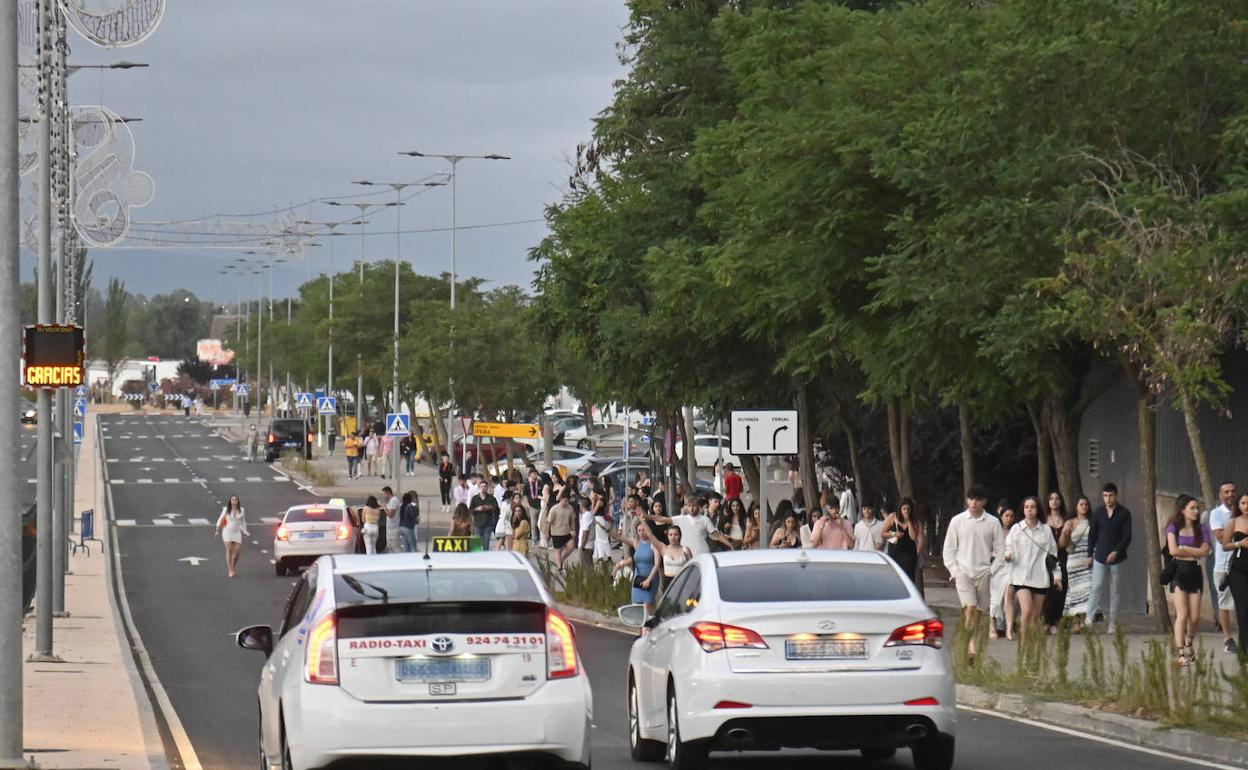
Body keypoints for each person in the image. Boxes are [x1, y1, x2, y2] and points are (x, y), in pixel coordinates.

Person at [942, 486, 1004, 656]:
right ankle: (971, 646)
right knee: (970, 607)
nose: (974, 502)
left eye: (977, 499)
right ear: (967, 500)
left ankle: (972, 640)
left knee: (979, 611)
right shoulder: (957, 521)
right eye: (971, 499)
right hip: (963, 571)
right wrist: (955, 570)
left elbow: (1000, 548)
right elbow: (949, 549)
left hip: (984, 571)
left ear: (983, 501)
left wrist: (993, 569)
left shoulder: (993, 522)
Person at [1005, 496, 1061, 647]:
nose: (1029, 510)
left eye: (1033, 507)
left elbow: (1053, 554)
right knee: (1027, 610)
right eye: (1026, 507)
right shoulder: (1017, 529)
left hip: (1040, 577)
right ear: (1023, 510)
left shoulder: (1046, 530)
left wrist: (1057, 576)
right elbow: (1008, 546)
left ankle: (1030, 646)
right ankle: (1023, 645)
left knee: (1036, 615)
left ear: (1038, 510)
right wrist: (1008, 556)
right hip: (1020, 577)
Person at [1166, 494, 1212, 666]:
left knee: (1194, 617)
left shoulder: (1203, 529)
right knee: (1182, 614)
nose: (1196, 511)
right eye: (1192, 508)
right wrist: (1193, 550)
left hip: (1195, 572)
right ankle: (1180, 653)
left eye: (1197, 508)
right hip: (1179, 571)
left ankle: (1189, 642)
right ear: (1182, 510)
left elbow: (1205, 551)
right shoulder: (1173, 528)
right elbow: (1173, 551)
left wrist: (1184, 547)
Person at [1086, 482, 1133, 634]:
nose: (1108, 499)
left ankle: (1113, 623)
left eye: (1111, 495)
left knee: (1115, 591)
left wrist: (1117, 552)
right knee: (1096, 587)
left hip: (1117, 559)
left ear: (1116, 496)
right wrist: (1089, 554)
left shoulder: (1124, 514)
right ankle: (1089, 618)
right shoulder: (1098, 513)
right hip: (1099, 556)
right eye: (1105, 496)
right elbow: (1092, 534)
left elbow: (1127, 537)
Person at [644, 494, 735, 556]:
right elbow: (662, 518)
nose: (691, 508)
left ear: (698, 507)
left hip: (702, 554)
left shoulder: (705, 520)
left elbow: (717, 535)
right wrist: (646, 516)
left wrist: (730, 545)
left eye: (694, 506)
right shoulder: (681, 519)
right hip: (686, 556)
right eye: (689, 506)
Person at [1208, 481, 1238, 653]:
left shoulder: (1243, 511)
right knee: (1224, 604)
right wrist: (1238, 528)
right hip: (1223, 565)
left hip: (1241, 564)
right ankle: (1228, 639)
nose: (1230, 495)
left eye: (1233, 491)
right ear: (1220, 495)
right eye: (1226, 492)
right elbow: (1221, 537)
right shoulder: (1216, 514)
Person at [1060, 495, 1094, 631]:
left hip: (1088, 560)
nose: (1084, 507)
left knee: (1087, 591)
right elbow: (1063, 544)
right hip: (1074, 560)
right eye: (1081, 504)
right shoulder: (1070, 522)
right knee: (1075, 592)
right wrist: (1066, 533)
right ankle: (1075, 622)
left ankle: (1084, 622)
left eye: (1086, 504)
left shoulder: (1092, 522)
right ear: (1076, 507)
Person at [1220, 493, 1248, 656]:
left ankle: (1243, 645)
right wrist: (1240, 543)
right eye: (1243, 503)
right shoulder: (1233, 522)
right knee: (1242, 607)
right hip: (1238, 570)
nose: (1246, 506)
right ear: (1238, 505)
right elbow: (1225, 545)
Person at [614, 520, 661, 613]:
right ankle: (639, 628)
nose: (642, 533)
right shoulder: (637, 543)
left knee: (646, 608)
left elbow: (657, 564)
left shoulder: (654, 544)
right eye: (639, 531)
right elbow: (619, 537)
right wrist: (606, 529)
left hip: (650, 578)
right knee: (635, 607)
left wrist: (648, 580)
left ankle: (646, 627)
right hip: (638, 577)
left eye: (644, 530)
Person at [989, 503, 1018, 640]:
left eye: (1012, 516)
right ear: (1001, 517)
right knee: (995, 599)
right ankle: (993, 626)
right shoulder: (995, 531)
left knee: (1009, 597)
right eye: (1006, 516)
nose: (1009, 519)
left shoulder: (1016, 531)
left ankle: (1009, 628)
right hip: (997, 567)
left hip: (1011, 568)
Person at [1042, 491, 1069, 634]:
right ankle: (1046, 621)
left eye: (1057, 498)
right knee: (1047, 590)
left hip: (1063, 557)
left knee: (1060, 589)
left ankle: (1057, 622)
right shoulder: (1043, 520)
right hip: (1046, 557)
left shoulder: (1066, 519)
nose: (1054, 501)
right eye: (1051, 498)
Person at [883, 498, 924, 585]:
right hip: (895, 551)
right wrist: (894, 534)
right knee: (894, 577)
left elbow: (913, 537)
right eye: (904, 509)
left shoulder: (915, 522)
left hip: (908, 553)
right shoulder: (892, 517)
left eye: (908, 509)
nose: (906, 511)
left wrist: (909, 521)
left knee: (908, 578)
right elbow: (883, 533)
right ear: (900, 509)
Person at [214, 495, 249, 578]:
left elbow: (243, 522)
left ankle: (233, 567)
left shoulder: (241, 510)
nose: (234, 500)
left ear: (238, 501)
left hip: (237, 532)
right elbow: (220, 519)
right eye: (233, 499)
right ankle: (230, 570)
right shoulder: (226, 509)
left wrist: (244, 531)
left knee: (237, 552)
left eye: (236, 499)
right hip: (227, 532)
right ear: (230, 501)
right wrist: (217, 530)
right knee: (229, 550)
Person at [547, 488, 577, 570]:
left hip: (566, 532)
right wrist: (547, 533)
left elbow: (572, 520)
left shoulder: (570, 508)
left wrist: (573, 530)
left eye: (568, 501)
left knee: (571, 546)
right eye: (565, 501)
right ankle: (559, 567)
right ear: (561, 499)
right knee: (558, 550)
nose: (567, 503)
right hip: (556, 533)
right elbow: (549, 522)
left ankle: (561, 560)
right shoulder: (554, 509)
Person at [660, 525, 693, 590]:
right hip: (667, 581)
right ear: (668, 536)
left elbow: (691, 567)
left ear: (679, 536)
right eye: (670, 534)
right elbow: (650, 536)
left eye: (676, 534)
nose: (673, 537)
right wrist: (642, 519)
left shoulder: (686, 549)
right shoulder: (664, 548)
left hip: (682, 581)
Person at [470, 480, 500, 551]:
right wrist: (477, 509)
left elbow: (496, 508)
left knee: (486, 545)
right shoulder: (475, 498)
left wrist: (488, 507)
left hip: (488, 524)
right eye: (482, 486)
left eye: (485, 486)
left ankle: (485, 559)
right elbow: (470, 510)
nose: (483, 488)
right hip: (478, 524)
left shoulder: (491, 498)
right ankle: (476, 559)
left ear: (487, 487)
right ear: (479, 488)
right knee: (476, 546)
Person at [381, 486, 401, 553]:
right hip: (390, 528)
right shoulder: (390, 502)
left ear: (388, 493)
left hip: (393, 528)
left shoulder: (394, 501)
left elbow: (391, 515)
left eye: (384, 494)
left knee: (394, 547)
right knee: (390, 547)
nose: (383, 496)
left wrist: (384, 508)